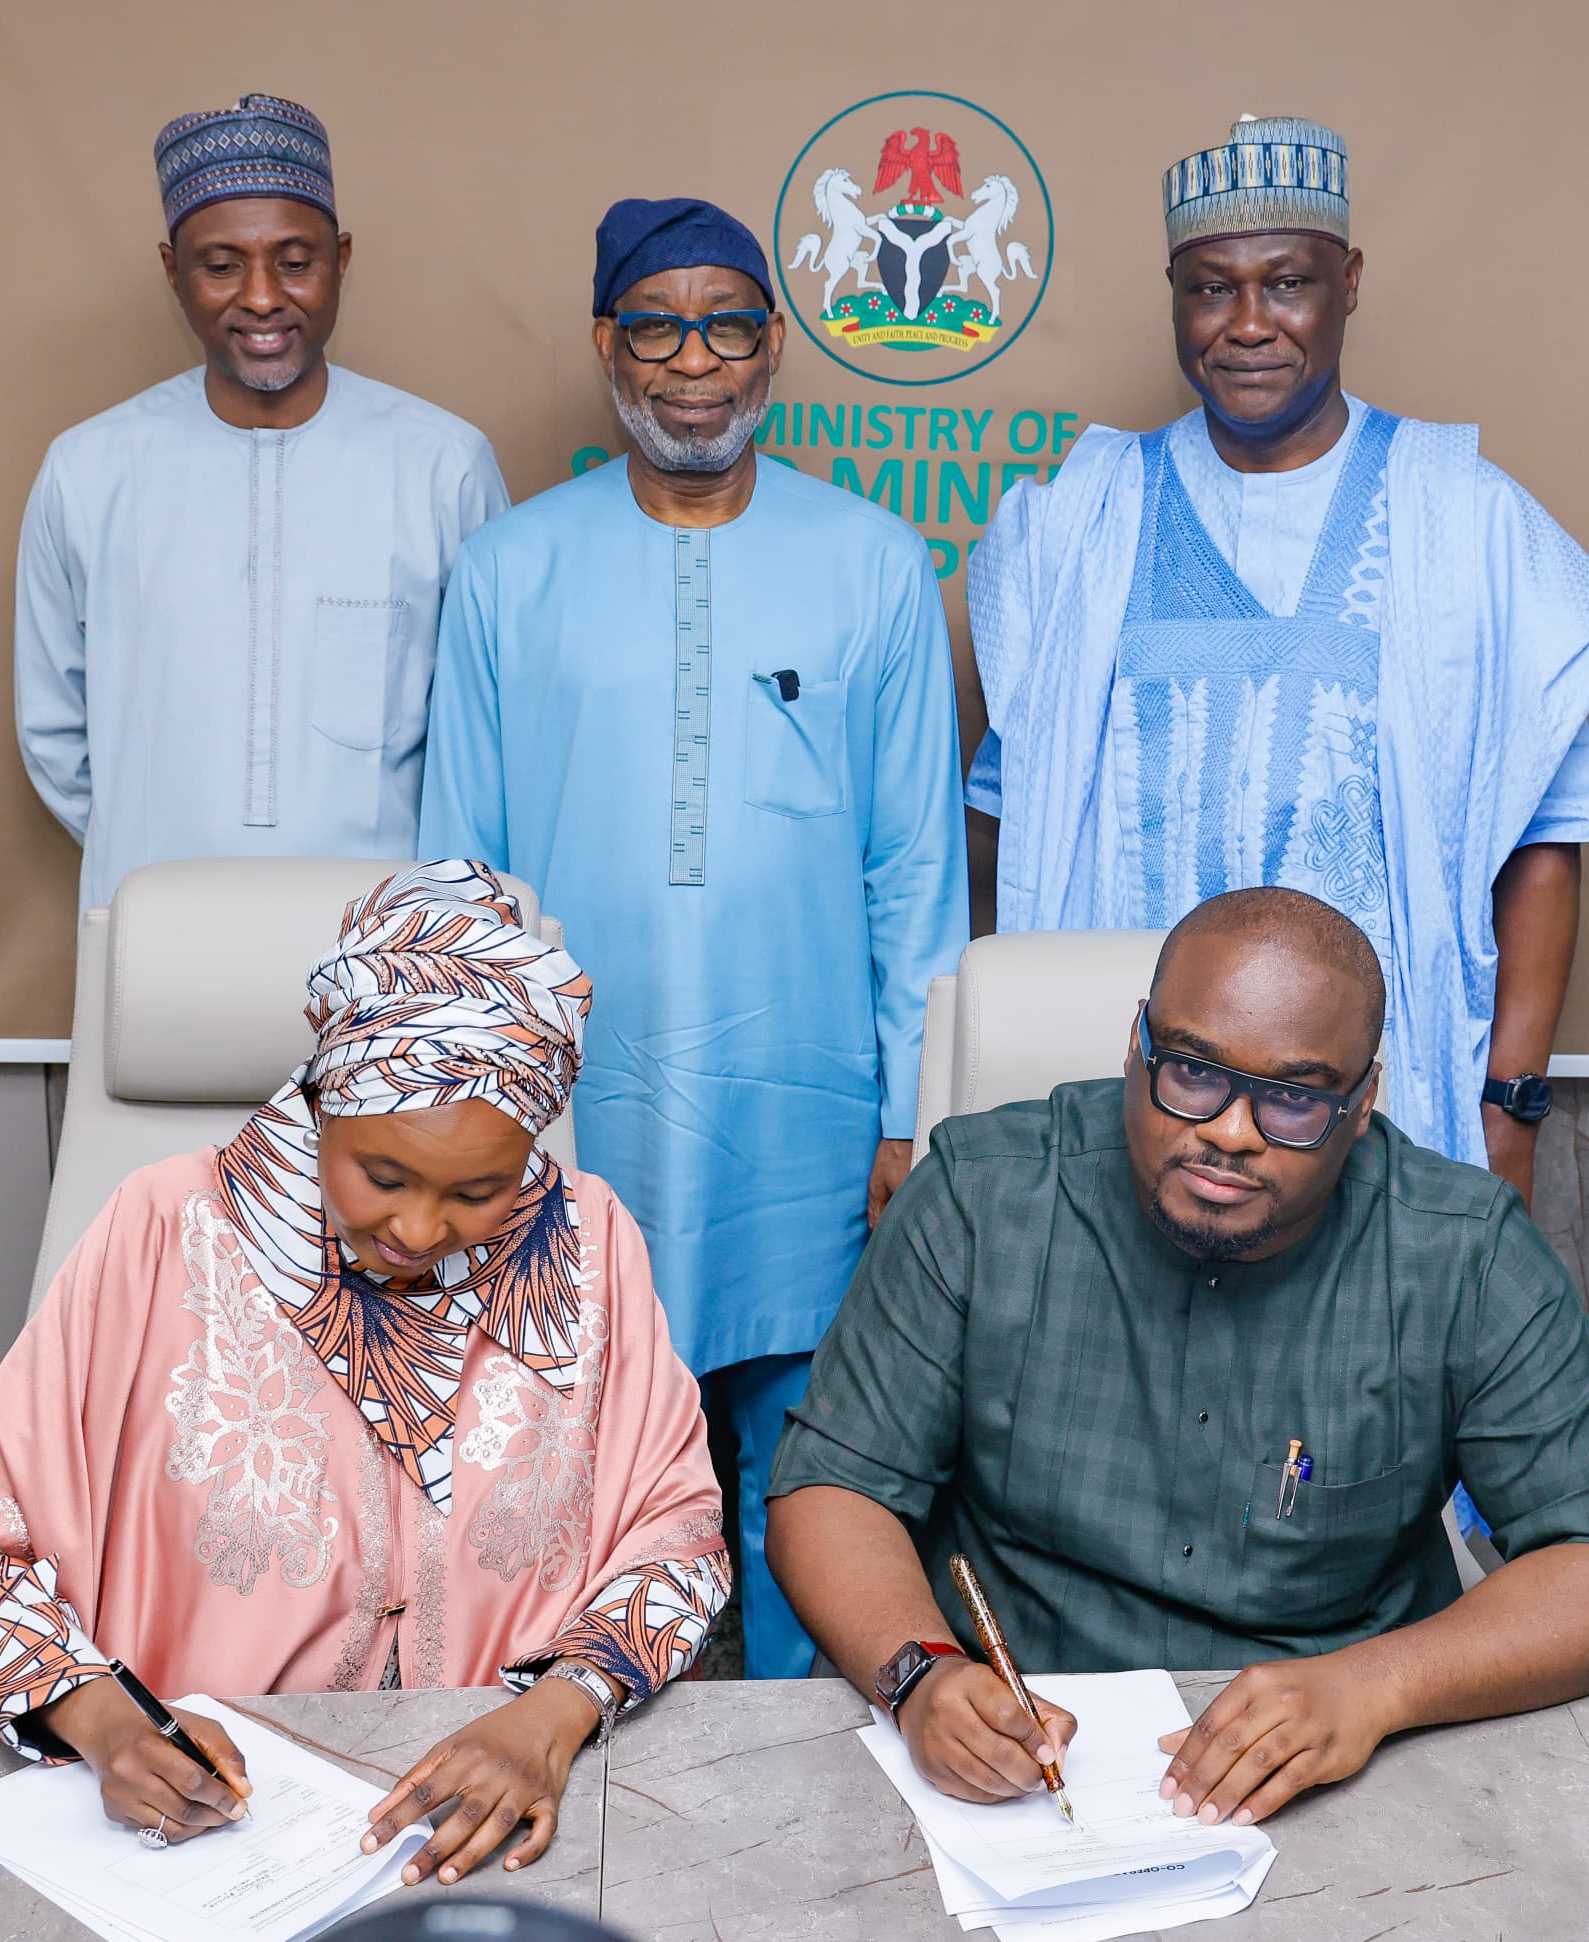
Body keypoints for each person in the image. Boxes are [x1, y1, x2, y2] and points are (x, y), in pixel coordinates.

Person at [0, 862, 727, 1888]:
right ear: (324, 1102)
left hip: (491, 1814)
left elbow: (676, 1540)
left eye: (478, 1190)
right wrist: (106, 1722)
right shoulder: (166, 1228)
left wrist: (550, 1718)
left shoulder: (587, 1241)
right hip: (211, 1832)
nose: (418, 1230)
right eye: (382, 1175)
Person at [767, 886, 1589, 1829]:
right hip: (1017, 1751)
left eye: (1294, 1098)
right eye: (1194, 1072)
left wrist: (1375, 1688)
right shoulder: (979, 1196)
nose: (1232, 1132)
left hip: (1347, 1765)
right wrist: (919, 1671)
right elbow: (833, 1486)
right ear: (1136, 1046)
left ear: (1361, 1102)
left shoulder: (1462, 1250)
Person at [419, 197, 968, 1679]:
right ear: (609, 344)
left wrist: (915, 1103)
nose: (694, 365)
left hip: (808, 1100)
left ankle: (814, 1733)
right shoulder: (511, 572)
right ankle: (566, 1727)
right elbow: (459, 869)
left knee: (818, 1447)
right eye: (657, 327)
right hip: (576, 1097)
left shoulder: (873, 564)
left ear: (772, 348)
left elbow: (915, 857)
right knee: (561, 1433)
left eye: (727, 325)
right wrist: (472, 1108)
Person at [965, 114, 1589, 1207]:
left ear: (1350, 281)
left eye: (1285, 282)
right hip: (1138, 1114)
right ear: (1174, 294)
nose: (1245, 324)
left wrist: (1507, 1104)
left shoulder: (1460, 519)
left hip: (1377, 1112)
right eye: (1208, 286)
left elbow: (1543, 840)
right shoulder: (1081, 523)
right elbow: (1013, 826)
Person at [16, 95, 509, 913]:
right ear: (173, 271)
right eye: (220, 265)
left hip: (381, 948)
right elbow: (54, 730)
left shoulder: (443, 465)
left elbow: (484, 729)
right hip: (153, 933)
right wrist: (147, 848)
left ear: (341, 259)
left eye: (294, 259)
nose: (261, 297)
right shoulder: (90, 469)